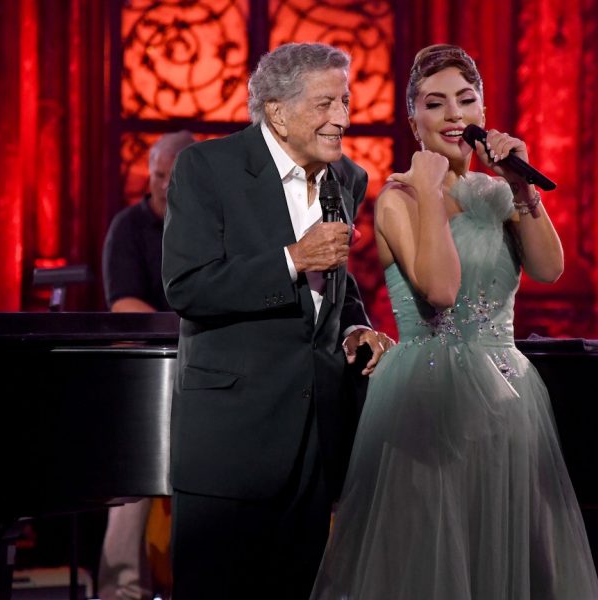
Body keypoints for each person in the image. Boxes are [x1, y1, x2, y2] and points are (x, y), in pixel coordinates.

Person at [310, 44, 598, 599]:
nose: (453, 116)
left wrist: (520, 188)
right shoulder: (397, 198)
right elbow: (441, 291)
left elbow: (549, 268)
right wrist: (428, 186)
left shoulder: (497, 193)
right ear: (413, 119)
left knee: (501, 552)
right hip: (429, 391)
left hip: (508, 396)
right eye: (435, 103)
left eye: (466, 102)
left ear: (483, 113)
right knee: (434, 559)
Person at [161, 42, 393, 599]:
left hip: (315, 445)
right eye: (324, 104)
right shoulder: (206, 168)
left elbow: (333, 282)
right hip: (232, 447)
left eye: (345, 101)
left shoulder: (349, 178)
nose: (341, 117)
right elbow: (186, 286)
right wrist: (292, 260)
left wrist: (356, 324)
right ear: (277, 111)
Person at [98, 129, 196, 600]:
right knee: (132, 482)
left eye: (172, 178)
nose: (162, 185)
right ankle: (122, 588)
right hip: (141, 370)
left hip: (200, 366)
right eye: (157, 175)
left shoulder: (206, 226)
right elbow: (125, 308)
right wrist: (199, 319)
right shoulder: (128, 227)